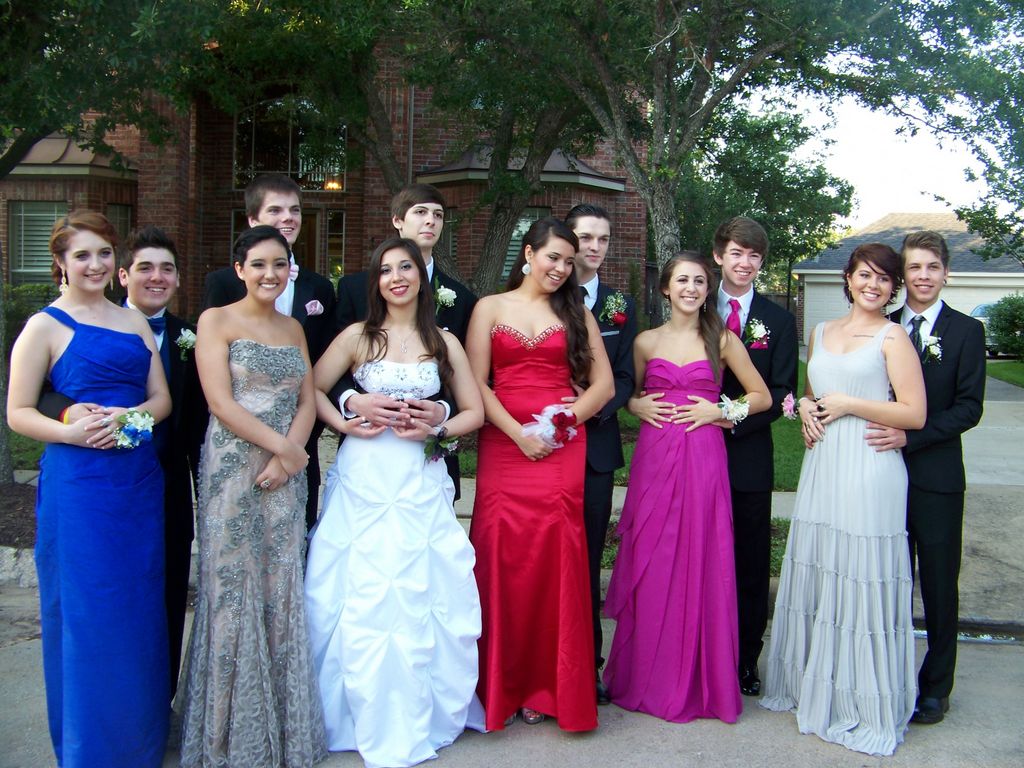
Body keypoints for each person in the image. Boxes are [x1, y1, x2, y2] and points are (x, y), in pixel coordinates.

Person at [304, 237, 485, 767]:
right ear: (376, 282)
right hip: (365, 475)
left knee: (420, 586)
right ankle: (349, 709)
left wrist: (438, 424)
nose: (396, 277)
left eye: (405, 267)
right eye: (385, 270)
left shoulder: (444, 341)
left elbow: (473, 411)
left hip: (418, 477)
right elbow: (311, 387)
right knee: (360, 586)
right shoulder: (358, 336)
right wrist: (347, 411)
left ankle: (421, 708)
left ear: (421, 277)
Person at [7, 211, 172, 767]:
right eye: (82, 255)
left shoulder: (132, 322)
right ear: (60, 262)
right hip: (79, 488)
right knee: (87, 612)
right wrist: (69, 432)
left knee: (137, 608)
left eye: (104, 253)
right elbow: (18, 412)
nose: (96, 265)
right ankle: (91, 749)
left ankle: (140, 741)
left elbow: (161, 400)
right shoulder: (43, 326)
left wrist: (131, 418)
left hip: (137, 484)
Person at [761, 243, 926, 756]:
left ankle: (860, 697)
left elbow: (915, 413)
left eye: (883, 278)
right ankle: (816, 682)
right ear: (848, 280)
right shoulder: (820, 331)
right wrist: (808, 409)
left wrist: (851, 404)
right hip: (825, 464)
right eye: (864, 275)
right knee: (824, 564)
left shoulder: (893, 336)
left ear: (893, 287)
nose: (873, 285)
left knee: (859, 570)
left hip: (870, 465)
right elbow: (815, 393)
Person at [37, 225, 207, 699]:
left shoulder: (193, 335)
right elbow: (39, 396)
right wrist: (70, 420)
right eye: (145, 267)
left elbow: (183, 411)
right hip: (89, 481)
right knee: (94, 597)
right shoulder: (54, 325)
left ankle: (155, 701)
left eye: (167, 269)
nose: (157, 277)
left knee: (159, 596)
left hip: (162, 485)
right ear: (126, 275)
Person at [179, 226, 327, 768]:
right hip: (233, 470)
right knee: (233, 587)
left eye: (280, 264)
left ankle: (284, 731)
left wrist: (289, 457)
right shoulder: (216, 320)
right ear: (239, 269)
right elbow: (220, 402)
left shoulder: (293, 328)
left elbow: (308, 400)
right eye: (259, 264)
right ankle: (225, 736)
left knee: (279, 583)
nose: (270, 274)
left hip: (285, 475)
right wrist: (284, 450)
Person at [603, 251, 770, 723]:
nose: (691, 288)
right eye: (682, 280)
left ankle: (699, 676)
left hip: (703, 456)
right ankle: (645, 674)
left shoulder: (722, 339)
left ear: (707, 289)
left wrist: (721, 410)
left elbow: (761, 396)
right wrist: (635, 407)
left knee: (700, 553)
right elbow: (629, 393)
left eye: (699, 281)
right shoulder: (645, 341)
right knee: (653, 553)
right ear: (665, 288)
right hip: (655, 458)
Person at [466, 216, 614, 731]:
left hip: (560, 449)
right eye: (554, 257)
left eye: (569, 262)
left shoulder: (576, 312)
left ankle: (549, 686)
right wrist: (517, 433)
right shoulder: (489, 308)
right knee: (502, 555)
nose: (561, 268)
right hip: (504, 445)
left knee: (556, 559)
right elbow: (477, 383)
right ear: (528, 253)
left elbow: (603, 386)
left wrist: (563, 422)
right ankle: (501, 685)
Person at [865, 231, 986, 725]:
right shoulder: (883, 326)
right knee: (887, 577)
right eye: (914, 267)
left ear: (946, 273)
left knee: (937, 584)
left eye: (932, 267)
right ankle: (888, 676)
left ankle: (936, 687)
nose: (923, 276)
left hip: (937, 478)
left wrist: (910, 437)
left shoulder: (967, 332)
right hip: (881, 472)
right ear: (903, 274)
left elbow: (969, 408)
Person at [203, 174, 338, 530]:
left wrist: (294, 449)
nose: (288, 217)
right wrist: (284, 447)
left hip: (297, 446)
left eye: (295, 210)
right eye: (276, 210)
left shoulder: (319, 290)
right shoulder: (220, 289)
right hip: (235, 449)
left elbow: (314, 382)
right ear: (252, 219)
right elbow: (217, 392)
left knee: (293, 542)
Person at [333, 183, 476, 498]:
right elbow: (329, 371)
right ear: (397, 220)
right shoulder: (354, 289)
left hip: (427, 455)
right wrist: (351, 401)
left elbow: (468, 383)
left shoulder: (462, 298)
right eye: (421, 212)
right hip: (366, 450)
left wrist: (442, 412)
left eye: (438, 215)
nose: (430, 221)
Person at [711, 217, 798, 697]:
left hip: (749, 457)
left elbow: (782, 391)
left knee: (749, 561)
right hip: (695, 454)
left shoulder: (778, 320)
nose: (745, 263)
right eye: (737, 253)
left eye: (754, 256)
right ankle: (704, 649)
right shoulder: (694, 303)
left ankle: (746, 657)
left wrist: (731, 418)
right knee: (700, 556)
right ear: (719, 255)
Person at [564, 203, 637, 704]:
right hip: (543, 446)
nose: (594, 247)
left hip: (596, 448)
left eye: (603, 239)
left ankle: (586, 665)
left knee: (587, 558)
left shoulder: (618, 306)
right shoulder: (541, 295)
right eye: (585, 237)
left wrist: (590, 408)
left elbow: (627, 377)